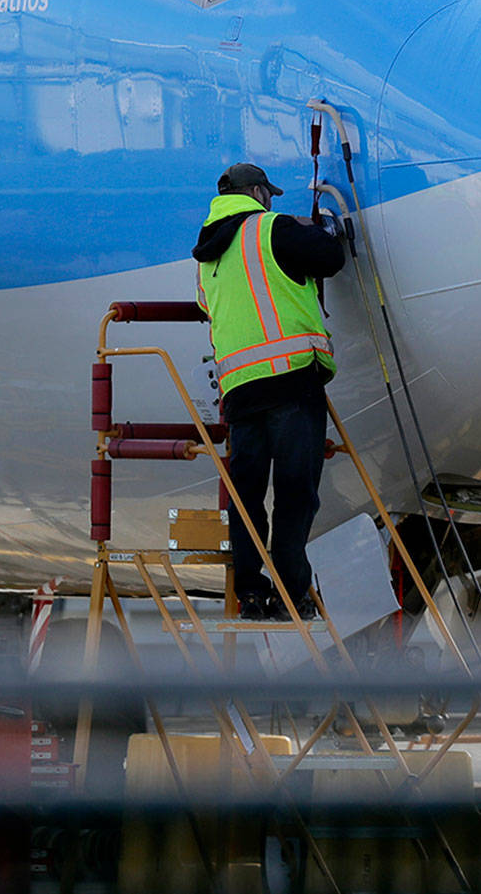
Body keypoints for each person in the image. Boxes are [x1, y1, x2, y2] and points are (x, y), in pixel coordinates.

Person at [192, 161, 345, 621]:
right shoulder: (270, 228)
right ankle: (292, 591)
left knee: (248, 495)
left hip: (239, 390)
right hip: (291, 380)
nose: (273, 201)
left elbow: (207, 306)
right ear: (258, 192)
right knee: (297, 491)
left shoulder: (206, 254)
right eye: (270, 195)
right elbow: (331, 259)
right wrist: (321, 231)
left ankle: (251, 591)